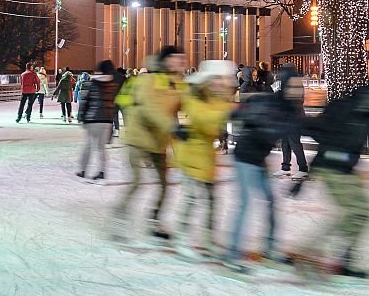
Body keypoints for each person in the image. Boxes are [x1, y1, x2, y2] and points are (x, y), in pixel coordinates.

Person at [291, 73, 369, 279]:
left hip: (346, 168)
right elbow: (323, 135)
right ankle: (308, 253)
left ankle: (343, 260)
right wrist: (307, 175)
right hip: (331, 166)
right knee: (352, 214)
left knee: (362, 214)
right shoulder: (346, 107)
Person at [223, 65, 305, 273]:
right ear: (286, 85)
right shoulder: (269, 102)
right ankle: (233, 254)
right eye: (293, 84)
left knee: (270, 201)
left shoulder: (291, 109)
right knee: (245, 204)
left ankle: (270, 248)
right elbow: (240, 115)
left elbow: (312, 129)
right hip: (245, 157)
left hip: (259, 160)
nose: (298, 89)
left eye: (298, 84)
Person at [111, 47, 185, 244]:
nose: (181, 62)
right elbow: (148, 108)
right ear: (166, 61)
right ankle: (119, 219)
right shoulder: (147, 80)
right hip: (139, 139)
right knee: (137, 182)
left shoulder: (177, 83)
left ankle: (154, 220)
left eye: (182, 59)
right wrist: (173, 127)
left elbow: (186, 103)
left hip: (159, 142)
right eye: (177, 59)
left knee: (164, 185)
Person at [172, 59, 234, 260]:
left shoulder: (216, 99)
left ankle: (208, 240)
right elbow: (207, 123)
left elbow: (217, 124)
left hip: (206, 159)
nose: (219, 84)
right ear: (206, 80)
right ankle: (181, 239)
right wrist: (228, 111)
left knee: (211, 201)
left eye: (221, 80)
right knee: (191, 200)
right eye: (215, 79)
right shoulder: (194, 98)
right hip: (190, 157)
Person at [76, 60, 119, 180]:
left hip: (92, 119)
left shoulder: (91, 83)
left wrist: (81, 117)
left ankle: (83, 170)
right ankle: (102, 171)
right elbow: (113, 104)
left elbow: (84, 101)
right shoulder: (112, 86)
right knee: (101, 147)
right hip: (107, 120)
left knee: (89, 145)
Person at [272, 73, 309, 180]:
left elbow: (295, 102)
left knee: (294, 143)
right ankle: (285, 167)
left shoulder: (295, 84)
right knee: (285, 143)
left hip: (294, 120)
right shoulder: (285, 84)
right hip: (286, 119)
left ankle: (303, 169)